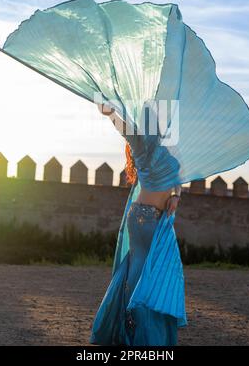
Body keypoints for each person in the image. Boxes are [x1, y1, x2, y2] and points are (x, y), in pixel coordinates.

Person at [90, 103, 185, 346]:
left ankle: (140, 324)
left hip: (161, 220)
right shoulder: (142, 145)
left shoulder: (170, 149)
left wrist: (176, 195)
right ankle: (132, 328)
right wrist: (111, 113)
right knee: (143, 269)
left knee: (160, 270)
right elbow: (125, 129)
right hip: (144, 218)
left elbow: (179, 177)